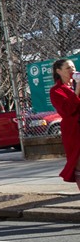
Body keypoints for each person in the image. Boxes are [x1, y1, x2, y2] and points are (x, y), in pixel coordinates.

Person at [50, 58, 80, 190]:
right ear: (59, 71)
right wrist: (77, 91)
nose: (72, 70)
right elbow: (67, 110)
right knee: (78, 161)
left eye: (73, 67)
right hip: (74, 130)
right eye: (68, 68)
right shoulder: (56, 91)